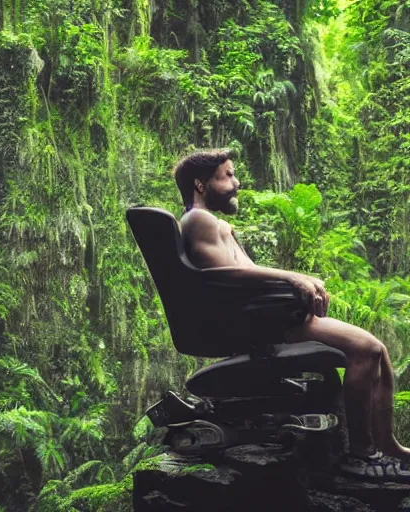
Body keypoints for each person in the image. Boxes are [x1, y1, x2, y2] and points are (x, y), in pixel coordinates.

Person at [173, 148, 410, 480]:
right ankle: (361, 456)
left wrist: (295, 281)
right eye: (227, 176)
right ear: (200, 184)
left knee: (379, 352)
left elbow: (242, 273)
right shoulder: (198, 219)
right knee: (366, 351)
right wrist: (291, 278)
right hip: (265, 321)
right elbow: (220, 275)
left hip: (273, 312)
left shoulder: (211, 222)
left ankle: (390, 448)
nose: (236, 182)